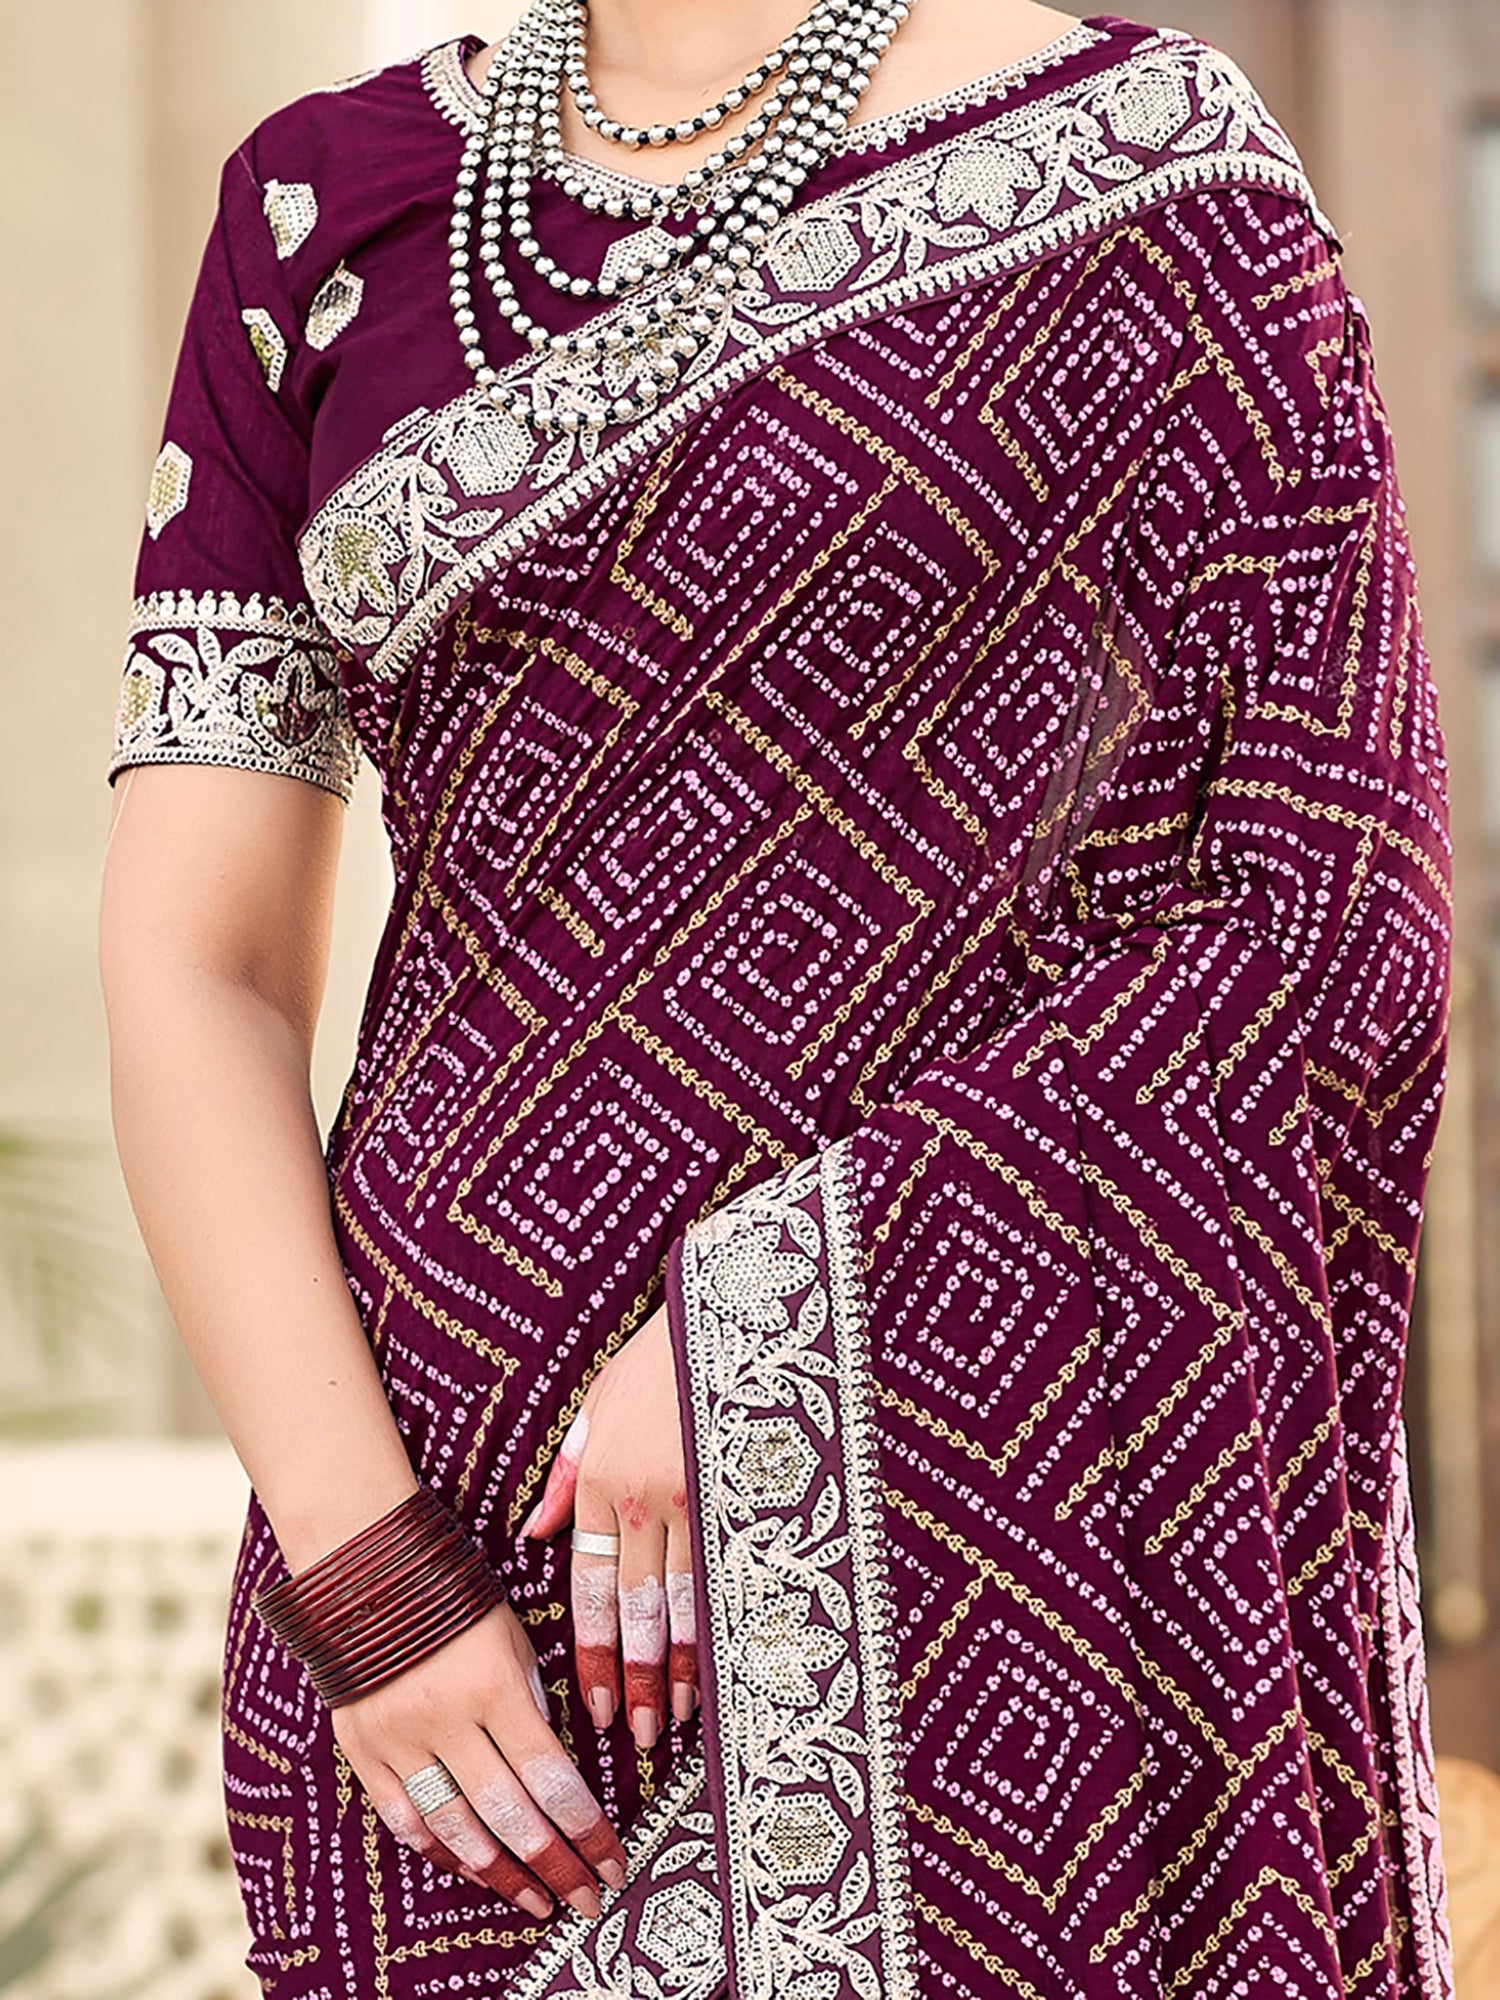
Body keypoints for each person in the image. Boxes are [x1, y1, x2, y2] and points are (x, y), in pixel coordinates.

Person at [96, 0, 1458, 1993]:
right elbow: (198, 963)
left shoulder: (1161, 174)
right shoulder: (321, 210)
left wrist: (790, 1318)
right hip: (456, 1614)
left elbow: (1329, 911)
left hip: (1015, 1540)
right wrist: (366, 1569)